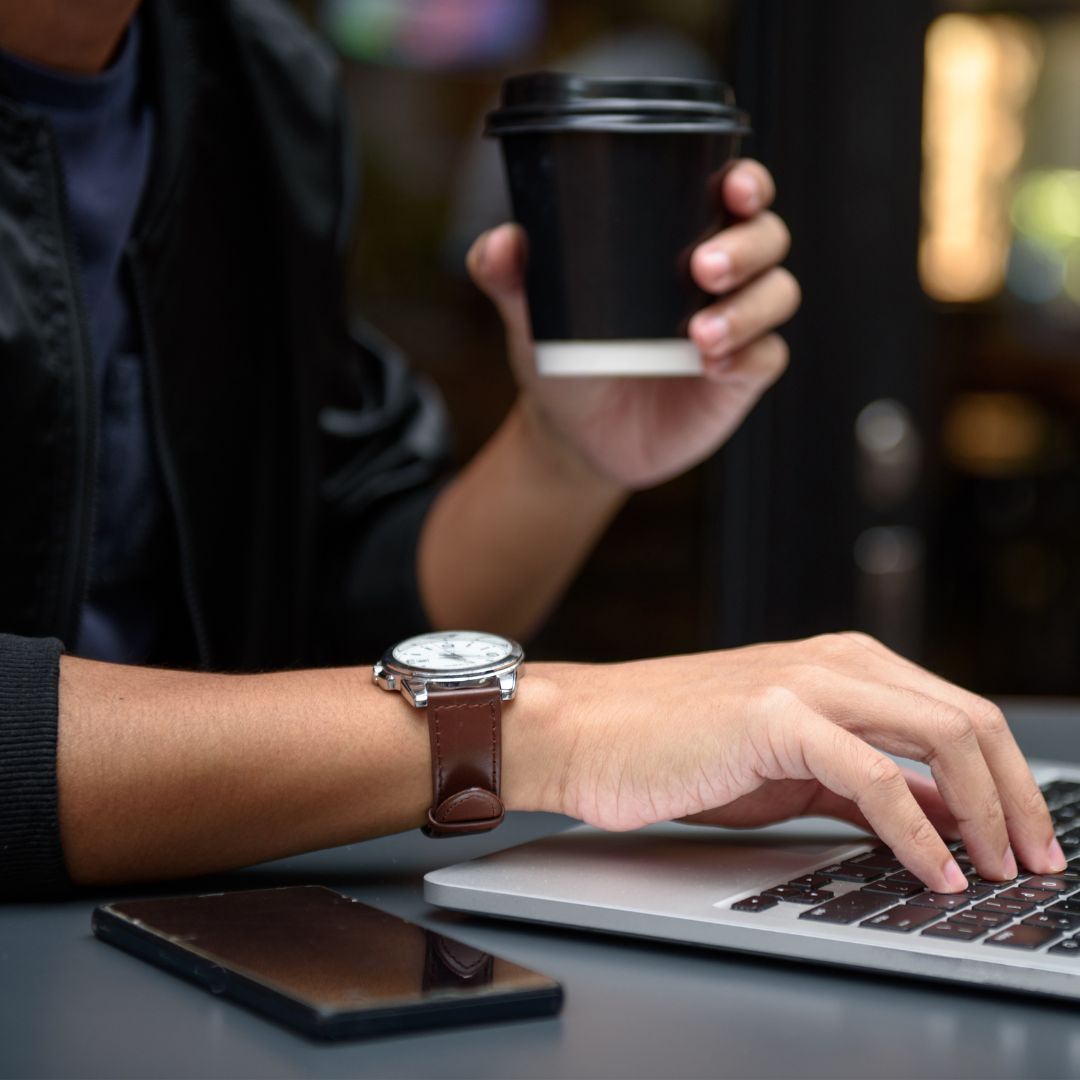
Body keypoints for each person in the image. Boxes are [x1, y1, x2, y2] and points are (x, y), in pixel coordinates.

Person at [0, 0, 1063, 901]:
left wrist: (569, 451)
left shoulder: (258, 82)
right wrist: (559, 727)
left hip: (208, 930)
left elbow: (355, 637)